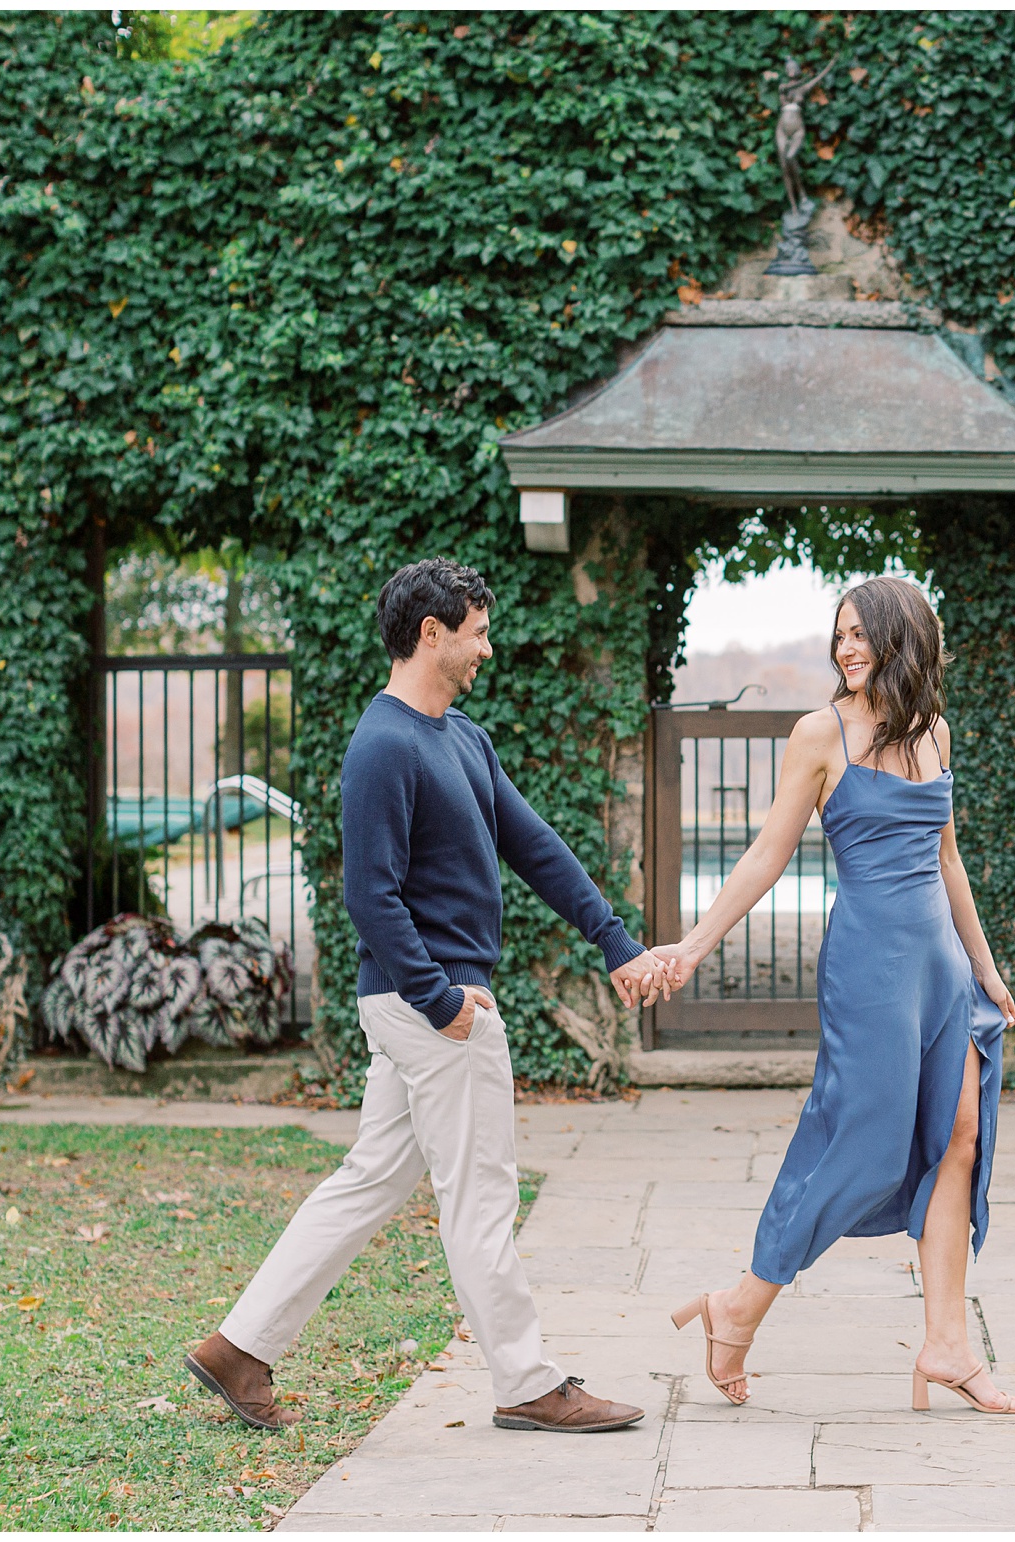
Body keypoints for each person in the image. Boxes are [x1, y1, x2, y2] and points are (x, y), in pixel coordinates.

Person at [185, 558, 672, 1435]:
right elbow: (371, 894)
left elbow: (535, 847)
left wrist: (616, 942)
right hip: (436, 1007)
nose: (488, 646)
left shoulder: (462, 738)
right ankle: (527, 1380)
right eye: (476, 630)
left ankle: (239, 1347)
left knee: (369, 1179)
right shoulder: (383, 744)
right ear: (430, 633)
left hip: (427, 1004)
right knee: (482, 1192)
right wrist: (441, 999)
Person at [656, 575, 1015, 1415]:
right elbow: (765, 854)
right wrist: (693, 943)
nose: (848, 649)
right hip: (870, 970)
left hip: (943, 971)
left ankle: (946, 1345)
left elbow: (948, 859)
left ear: (905, 641)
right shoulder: (820, 733)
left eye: (862, 634)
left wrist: (987, 967)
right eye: (841, 635)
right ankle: (740, 1305)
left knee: (960, 1138)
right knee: (858, 1146)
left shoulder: (934, 731)